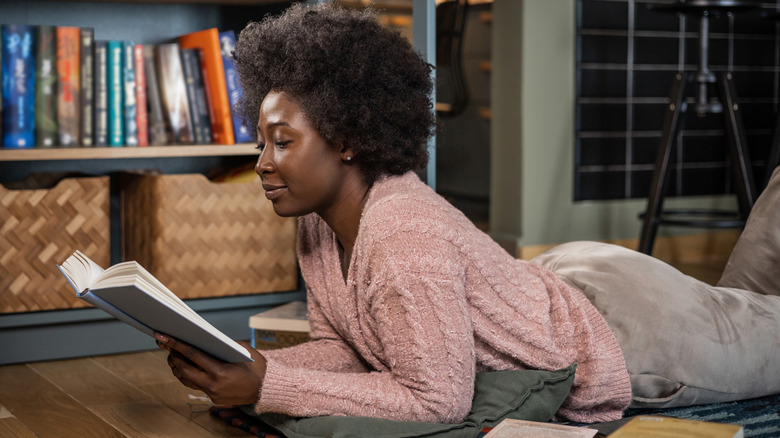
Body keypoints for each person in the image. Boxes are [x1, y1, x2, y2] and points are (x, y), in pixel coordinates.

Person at [155, 1, 780, 426]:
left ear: (347, 137)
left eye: (282, 141)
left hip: (631, 333)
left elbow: (438, 399)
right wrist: (244, 363)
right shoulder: (318, 226)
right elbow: (346, 349)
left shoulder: (402, 235)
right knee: (751, 295)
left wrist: (269, 387)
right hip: (558, 284)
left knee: (766, 320)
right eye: (261, 141)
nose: (262, 162)